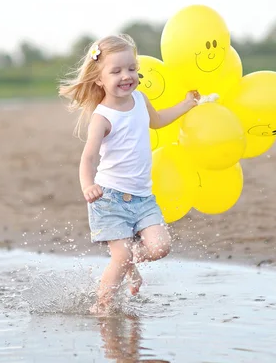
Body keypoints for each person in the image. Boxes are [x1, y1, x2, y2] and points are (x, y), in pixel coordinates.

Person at [59, 34, 199, 313]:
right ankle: (102, 307)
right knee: (119, 255)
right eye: (117, 71)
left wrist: (186, 105)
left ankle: (131, 263)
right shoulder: (102, 118)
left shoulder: (140, 99)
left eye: (132, 69)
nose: (127, 76)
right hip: (109, 199)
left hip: (143, 199)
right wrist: (88, 185)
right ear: (99, 79)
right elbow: (87, 158)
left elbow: (157, 121)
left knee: (160, 247)